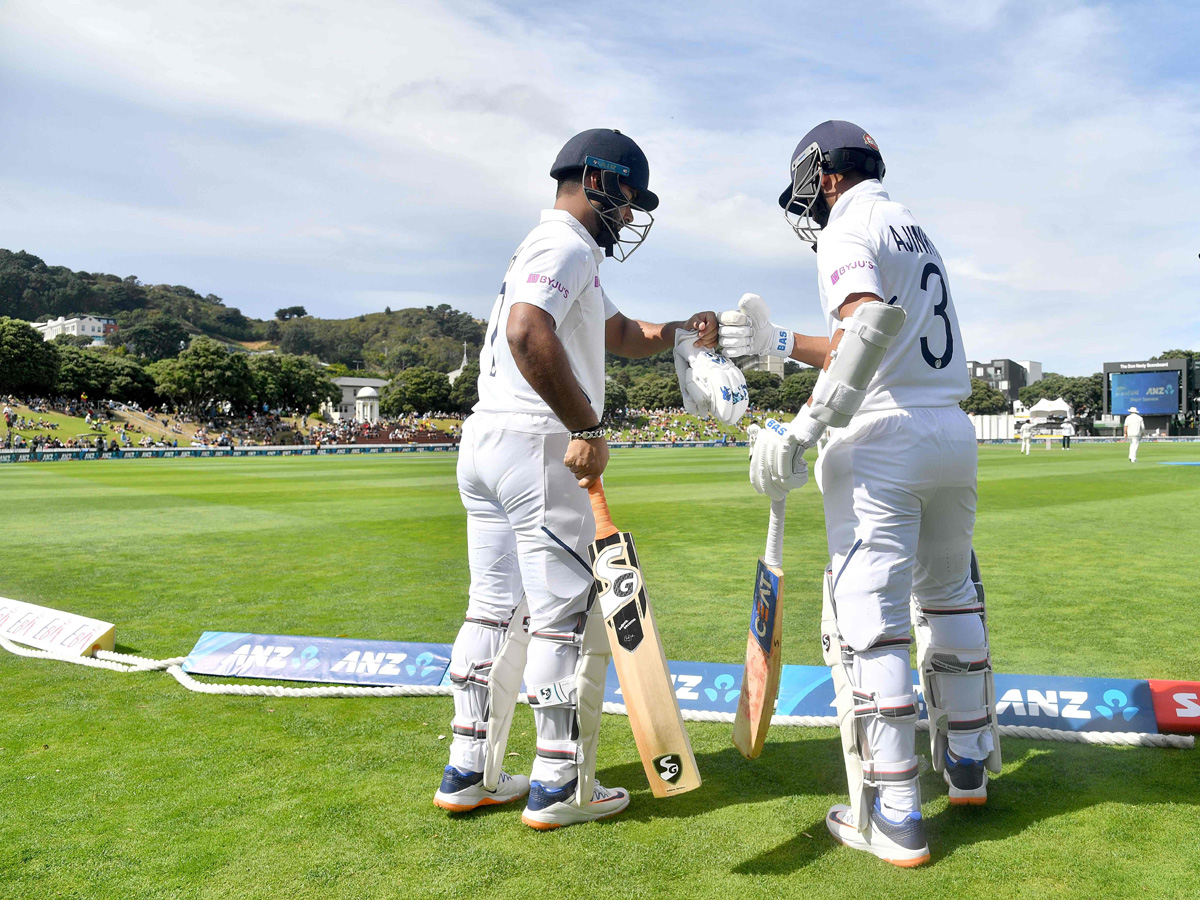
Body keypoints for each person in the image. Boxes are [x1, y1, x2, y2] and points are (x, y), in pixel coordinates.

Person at [434, 128, 744, 830]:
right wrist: (586, 427)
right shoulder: (565, 245)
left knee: (492, 609)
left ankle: (468, 771)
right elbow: (526, 332)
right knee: (563, 619)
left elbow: (622, 335)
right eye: (629, 198)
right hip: (535, 442)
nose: (631, 216)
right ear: (598, 180)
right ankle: (559, 784)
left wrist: (682, 331)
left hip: (485, 440)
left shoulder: (551, 250)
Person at [719, 121, 999, 867]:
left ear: (827, 175)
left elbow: (866, 324)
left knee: (869, 625)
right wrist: (782, 346)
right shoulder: (911, 227)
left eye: (809, 185)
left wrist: (801, 430)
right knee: (949, 599)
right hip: (948, 430)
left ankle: (896, 813)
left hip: (880, 443)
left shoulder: (847, 225)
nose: (807, 202)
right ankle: (968, 767)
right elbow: (879, 337)